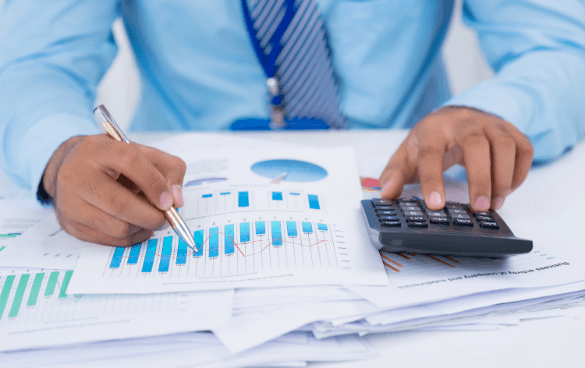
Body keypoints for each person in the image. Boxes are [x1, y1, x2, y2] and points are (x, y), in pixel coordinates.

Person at [0, 0, 583, 247]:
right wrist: (58, 152)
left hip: (407, 190)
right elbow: (30, 64)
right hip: (182, 193)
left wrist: (494, 112)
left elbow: (560, 46)